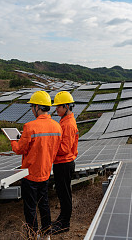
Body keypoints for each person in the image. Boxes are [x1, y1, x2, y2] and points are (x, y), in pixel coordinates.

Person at [10, 90, 62, 239]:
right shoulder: (57, 127)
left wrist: (13, 139)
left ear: (38, 107)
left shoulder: (29, 126)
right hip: (45, 172)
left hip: (30, 174)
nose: (32, 109)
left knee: (30, 208)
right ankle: (46, 235)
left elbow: (19, 149)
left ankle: (33, 235)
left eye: (32, 106)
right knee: (44, 205)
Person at [51, 91, 79, 234]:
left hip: (64, 163)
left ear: (67, 106)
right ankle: (62, 219)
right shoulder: (64, 120)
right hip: (62, 163)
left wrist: (49, 148)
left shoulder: (68, 124)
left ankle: (65, 224)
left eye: (58, 107)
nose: (56, 109)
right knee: (62, 193)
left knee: (65, 194)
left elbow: (64, 148)